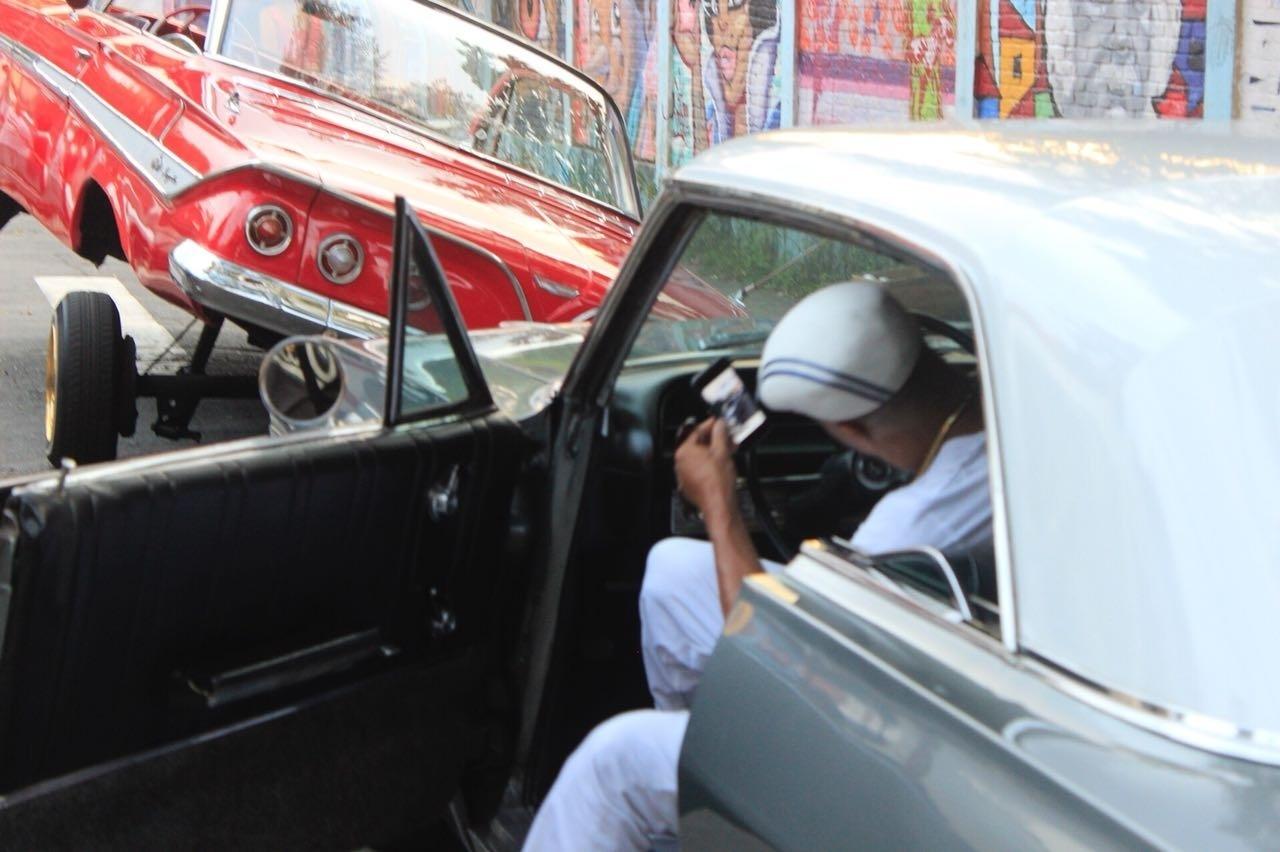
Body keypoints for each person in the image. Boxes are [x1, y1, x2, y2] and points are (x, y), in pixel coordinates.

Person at [523, 281, 992, 851]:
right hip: (926, 668)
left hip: (877, 740)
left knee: (614, 760)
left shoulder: (912, 527)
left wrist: (719, 503)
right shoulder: (1001, 414)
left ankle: (739, 794)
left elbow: (788, 654)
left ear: (852, 431)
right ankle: (705, 789)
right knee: (673, 571)